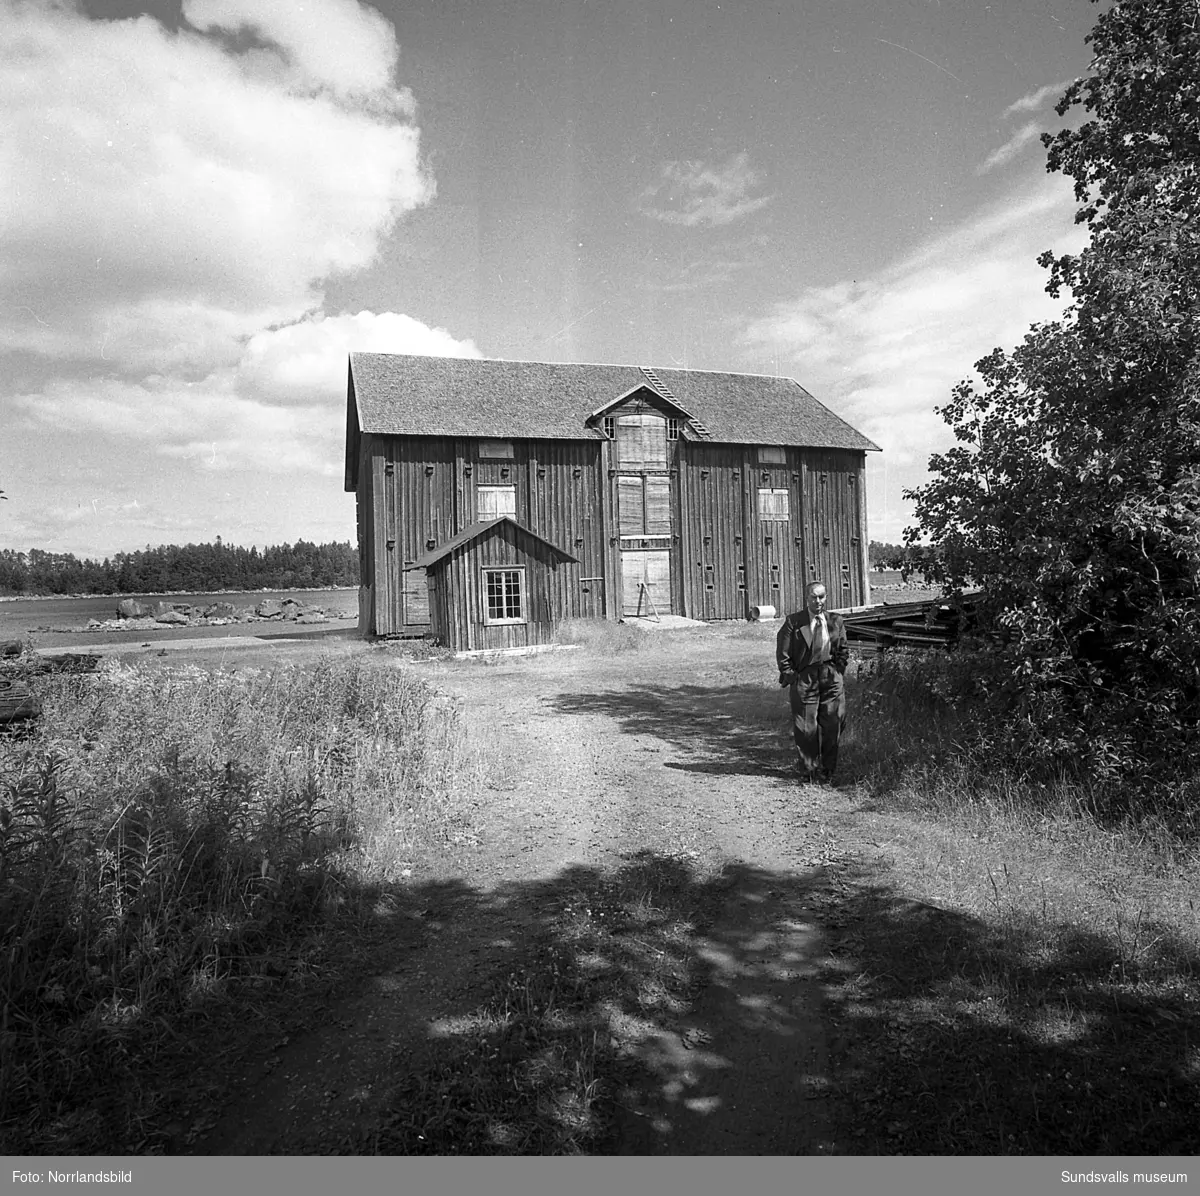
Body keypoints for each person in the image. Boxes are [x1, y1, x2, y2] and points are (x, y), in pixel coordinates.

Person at [776, 581, 851, 783]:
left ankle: (828, 771)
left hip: (830, 676)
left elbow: (843, 649)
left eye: (821, 597)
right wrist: (792, 675)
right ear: (806, 598)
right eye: (813, 597)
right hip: (805, 677)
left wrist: (838, 671)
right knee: (806, 726)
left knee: (833, 723)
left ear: (826, 597)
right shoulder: (794, 621)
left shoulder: (835, 620)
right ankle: (809, 770)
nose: (818, 601)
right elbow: (783, 654)